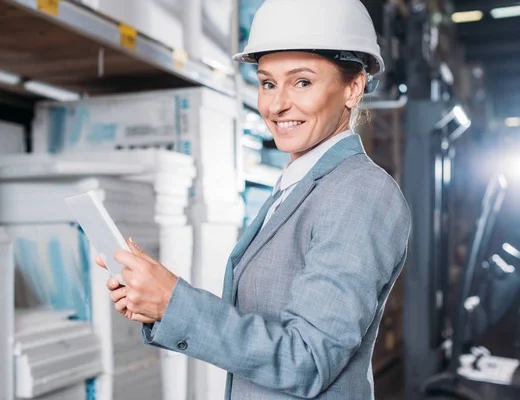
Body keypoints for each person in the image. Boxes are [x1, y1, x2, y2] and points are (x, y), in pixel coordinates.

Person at [96, 0, 411, 398]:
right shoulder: (297, 185)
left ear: (353, 87)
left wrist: (175, 303)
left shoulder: (361, 193)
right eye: (267, 82)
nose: (277, 105)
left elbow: (307, 360)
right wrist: (157, 304)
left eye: (302, 82)